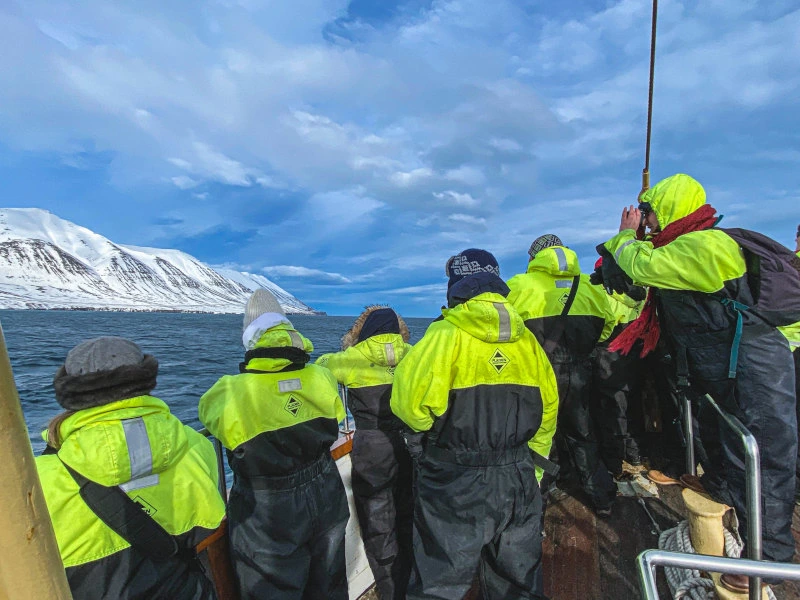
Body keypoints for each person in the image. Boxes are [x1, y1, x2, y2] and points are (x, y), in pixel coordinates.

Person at [601, 173, 798, 566]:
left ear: (670, 208)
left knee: (762, 454)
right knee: (725, 435)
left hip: (750, 362)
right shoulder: (687, 244)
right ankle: (723, 488)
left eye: (650, 213)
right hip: (723, 362)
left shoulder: (704, 245)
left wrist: (625, 236)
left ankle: (768, 558)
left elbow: (643, 268)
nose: (648, 221)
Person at [391, 248, 558, 600]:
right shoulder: (528, 341)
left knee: (439, 580)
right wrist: (534, 473)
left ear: (456, 287)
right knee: (518, 581)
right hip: (518, 476)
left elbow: (408, 407)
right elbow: (548, 412)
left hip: (455, 478)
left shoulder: (442, 337)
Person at [36, 336, 226, 599]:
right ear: (145, 379)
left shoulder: (36, 481)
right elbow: (206, 526)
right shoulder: (196, 445)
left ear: (70, 392)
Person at [199, 289, 349, 600]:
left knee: (270, 588)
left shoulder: (227, 391)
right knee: (329, 579)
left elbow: (213, 421)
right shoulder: (321, 376)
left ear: (250, 341)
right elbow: (337, 415)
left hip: (267, 502)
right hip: (325, 486)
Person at [507, 234, 618, 515]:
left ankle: (535, 502)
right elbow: (607, 328)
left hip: (538, 376)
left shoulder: (519, 286)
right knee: (582, 434)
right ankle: (601, 498)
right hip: (580, 373)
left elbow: (505, 332)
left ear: (534, 258)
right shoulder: (590, 288)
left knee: (538, 438)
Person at [316, 306, 414, 600]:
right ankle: (413, 581)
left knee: (377, 520)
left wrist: (349, 345)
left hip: (372, 447)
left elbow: (319, 367)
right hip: (410, 442)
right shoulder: (414, 353)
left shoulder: (350, 360)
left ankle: (390, 588)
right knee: (409, 511)